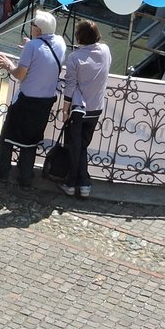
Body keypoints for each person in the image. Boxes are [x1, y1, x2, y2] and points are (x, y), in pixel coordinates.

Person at [0, 11, 65, 186]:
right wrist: (30, 45)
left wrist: (8, 64)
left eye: (33, 25)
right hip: (45, 101)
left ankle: (2, 171)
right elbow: (45, 52)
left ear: (38, 30)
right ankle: (25, 177)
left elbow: (20, 75)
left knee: (7, 137)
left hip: (26, 100)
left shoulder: (33, 47)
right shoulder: (60, 43)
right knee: (30, 140)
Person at [59, 19, 111, 198]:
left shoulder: (74, 57)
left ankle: (74, 183)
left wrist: (65, 110)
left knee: (76, 146)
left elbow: (70, 85)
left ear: (79, 37)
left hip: (79, 109)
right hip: (96, 107)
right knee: (81, 146)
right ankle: (82, 183)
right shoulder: (105, 51)